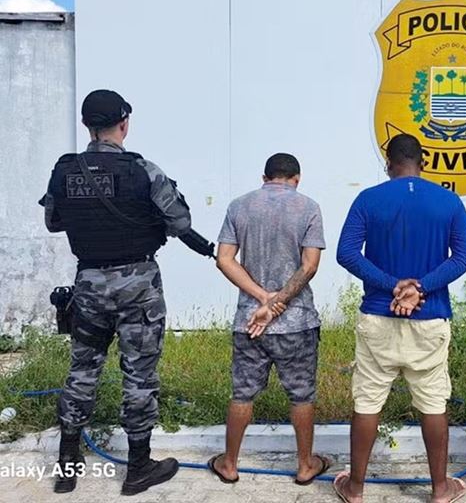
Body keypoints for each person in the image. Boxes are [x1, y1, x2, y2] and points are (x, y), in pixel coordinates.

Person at [41, 89, 213, 495]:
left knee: (82, 370)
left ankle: (67, 468)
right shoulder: (143, 171)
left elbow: (53, 221)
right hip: (139, 287)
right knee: (139, 374)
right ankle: (138, 469)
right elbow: (180, 221)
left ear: (87, 126)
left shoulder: (64, 171)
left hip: (89, 287)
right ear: (124, 124)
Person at [334, 134, 466, 503]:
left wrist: (393, 284)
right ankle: (440, 489)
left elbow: (347, 253)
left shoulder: (368, 200)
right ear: (422, 162)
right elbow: (464, 257)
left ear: (389, 163)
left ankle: (355, 488)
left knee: (368, 400)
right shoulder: (448, 201)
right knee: (433, 402)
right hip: (430, 317)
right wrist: (421, 287)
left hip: (378, 316)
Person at [208, 153, 330, 486]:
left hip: (250, 321)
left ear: (264, 178)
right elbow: (310, 266)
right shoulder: (309, 207)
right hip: (297, 322)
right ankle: (305, 465)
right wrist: (278, 301)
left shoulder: (239, 206)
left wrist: (262, 297)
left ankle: (229, 464)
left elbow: (224, 259)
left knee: (242, 393)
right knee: (301, 395)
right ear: (296, 179)